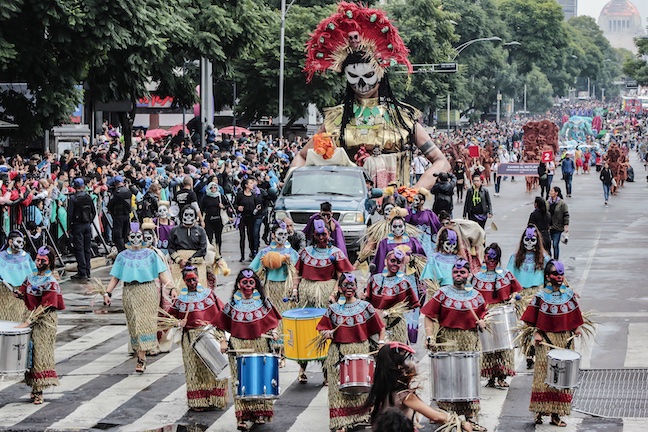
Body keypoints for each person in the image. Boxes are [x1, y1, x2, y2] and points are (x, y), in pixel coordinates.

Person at [295, 2, 451, 190]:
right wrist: (292, 186)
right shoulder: (335, 119)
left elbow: (441, 161)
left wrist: (415, 191)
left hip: (393, 203)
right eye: (353, 76)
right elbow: (302, 156)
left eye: (368, 75)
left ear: (380, 74)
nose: (361, 83)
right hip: (347, 203)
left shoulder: (401, 117)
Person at [422, 258, 487, 431]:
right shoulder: (442, 293)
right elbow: (428, 315)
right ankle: (446, 415)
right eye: (455, 272)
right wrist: (429, 336)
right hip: (447, 340)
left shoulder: (476, 296)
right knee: (447, 376)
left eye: (462, 272)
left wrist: (483, 322)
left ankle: (470, 416)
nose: (458, 275)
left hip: (469, 341)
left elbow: (485, 317)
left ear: (469, 274)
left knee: (468, 376)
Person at [213, 269, 282, 431]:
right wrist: (222, 341)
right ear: (238, 285)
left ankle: (259, 413)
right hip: (238, 346)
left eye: (251, 282)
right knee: (241, 381)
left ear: (256, 285)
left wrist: (274, 332)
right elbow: (218, 325)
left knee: (260, 378)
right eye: (245, 282)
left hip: (260, 344)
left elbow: (274, 322)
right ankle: (242, 417)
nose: (248, 286)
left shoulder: (264, 304)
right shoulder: (232, 305)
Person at [317, 273, 386, 432]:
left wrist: (381, 343)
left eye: (352, 285)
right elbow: (322, 328)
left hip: (360, 350)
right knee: (337, 388)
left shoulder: (365, 307)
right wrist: (326, 333)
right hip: (338, 352)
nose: (349, 288)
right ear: (340, 288)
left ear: (356, 287)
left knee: (360, 386)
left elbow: (380, 327)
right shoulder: (333, 309)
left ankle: (359, 417)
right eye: (345, 285)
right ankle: (340, 422)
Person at [521, 260, 584, 427]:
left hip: (565, 340)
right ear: (548, 277)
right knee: (543, 376)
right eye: (556, 274)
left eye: (561, 274)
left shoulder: (568, 294)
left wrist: (576, 328)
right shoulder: (541, 296)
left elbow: (575, 316)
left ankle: (556, 415)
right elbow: (530, 319)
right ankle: (539, 411)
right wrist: (537, 332)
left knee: (562, 378)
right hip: (546, 342)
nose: (559, 277)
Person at [103, 230, 175, 373]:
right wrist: (107, 292)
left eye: (138, 236)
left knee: (144, 322)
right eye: (132, 236)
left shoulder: (151, 255)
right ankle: (140, 351)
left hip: (147, 290)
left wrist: (171, 288)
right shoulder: (122, 256)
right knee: (134, 323)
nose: (136, 239)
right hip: (129, 291)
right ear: (128, 238)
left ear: (142, 238)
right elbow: (116, 277)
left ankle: (141, 358)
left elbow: (162, 274)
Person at [293, 219, 354, 383]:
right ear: (313, 235)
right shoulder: (306, 253)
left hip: (326, 295)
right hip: (307, 295)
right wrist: (295, 290)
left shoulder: (336, 253)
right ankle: (302, 367)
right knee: (306, 330)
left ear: (329, 234)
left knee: (326, 331)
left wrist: (334, 293)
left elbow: (341, 275)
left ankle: (327, 370)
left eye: (324, 234)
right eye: (318, 235)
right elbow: (297, 272)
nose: (321, 238)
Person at [366, 343, 473, 432]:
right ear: (399, 367)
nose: (416, 361)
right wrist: (461, 422)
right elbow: (435, 416)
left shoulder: (383, 388)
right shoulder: (403, 395)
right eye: (410, 358)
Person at [169, 267, 228, 411]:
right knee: (194, 370)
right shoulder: (180, 300)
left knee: (213, 367)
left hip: (209, 334)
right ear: (184, 281)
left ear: (198, 278)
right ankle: (198, 401)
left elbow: (221, 313)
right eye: (188, 280)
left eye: (194, 279)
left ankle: (215, 398)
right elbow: (169, 318)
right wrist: (179, 323)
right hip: (190, 337)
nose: (192, 283)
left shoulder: (209, 295)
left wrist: (222, 338)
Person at [15, 246, 65, 405]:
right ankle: (34, 386)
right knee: (29, 352)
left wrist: (29, 321)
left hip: (44, 321)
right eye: (37, 260)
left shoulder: (51, 282)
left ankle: (39, 390)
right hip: (30, 316)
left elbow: (46, 305)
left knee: (39, 353)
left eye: (42, 260)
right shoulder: (30, 277)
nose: (38, 262)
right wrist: (20, 294)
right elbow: (24, 291)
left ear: (49, 262)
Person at [471, 243, 522, 389]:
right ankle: (491, 377)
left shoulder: (506, 275)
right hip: (485, 314)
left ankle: (502, 376)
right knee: (488, 346)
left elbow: (516, 290)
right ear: (484, 258)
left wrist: (514, 297)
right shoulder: (477, 278)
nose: (491, 262)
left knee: (504, 347)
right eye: (489, 258)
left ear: (498, 259)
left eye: (494, 259)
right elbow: (471, 295)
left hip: (502, 312)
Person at [250, 221, 299, 363]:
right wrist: (264, 264)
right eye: (279, 234)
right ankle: (272, 349)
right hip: (270, 289)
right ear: (273, 235)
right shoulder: (265, 253)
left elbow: (297, 272)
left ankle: (282, 351)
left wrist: (294, 289)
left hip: (285, 289)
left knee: (283, 318)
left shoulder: (292, 253)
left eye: (285, 234)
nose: (282, 237)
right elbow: (252, 270)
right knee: (271, 318)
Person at [365, 249, 420, 343]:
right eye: (392, 261)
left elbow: (411, 305)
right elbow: (367, 301)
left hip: (396, 325)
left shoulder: (404, 282)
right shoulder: (374, 279)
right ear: (385, 261)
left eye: (398, 262)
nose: (395, 264)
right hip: (377, 323)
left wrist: (391, 312)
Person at [168, 205, 209, 287]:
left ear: (195, 216)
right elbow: (171, 247)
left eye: (191, 215)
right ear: (182, 215)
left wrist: (189, 260)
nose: (189, 217)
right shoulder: (175, 230)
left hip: (197, 262)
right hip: (179, 263)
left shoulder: (201, 230)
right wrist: (179, 260)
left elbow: (203, 249)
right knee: (179, 288)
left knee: (199, 288)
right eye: (186, 214)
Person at [0, 231, 35, 321]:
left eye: (22, 242)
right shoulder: (1, 256)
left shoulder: (26, 256)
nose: (21, 244)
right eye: (18, 241)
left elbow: (33, 271)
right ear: (10, 242)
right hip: (5, 293)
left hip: (22, 292)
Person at [67, 178, 96, 280]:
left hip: (77, 225)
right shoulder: (88, 197)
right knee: (87, 248)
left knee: (79, 249)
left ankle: (82, 271)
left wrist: (69, 227)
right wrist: (89, 221)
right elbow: (93, 211)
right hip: (87, 225)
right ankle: (87, 270)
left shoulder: (73, 198)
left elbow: (70, 214)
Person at [421, 226, 464, 291]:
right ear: (442, 242)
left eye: (453, 244)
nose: (451, 247)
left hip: (457, 291)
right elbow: (428, 278)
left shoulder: (459, 260)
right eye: (448, 243)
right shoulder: (435, 258)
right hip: (440, 291)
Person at [404, 191, 441, 258]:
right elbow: (405, 221)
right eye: (413, 199)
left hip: (426, 238)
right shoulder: (410, 211)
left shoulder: (429, 213)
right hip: (415, 238)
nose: (414, 202)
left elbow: (437, 224)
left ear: (422, 201)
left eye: (416, 200)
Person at [235, 178, 263, 262]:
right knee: (242, 237)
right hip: (242, 217)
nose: (252, 184)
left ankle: (252, 253)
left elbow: (257, 206)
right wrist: (238, 207)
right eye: (250, 183)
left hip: (251, 217)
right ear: (246, 185)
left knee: (251, 236)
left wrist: (257, 208)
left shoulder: (254, 195)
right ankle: (242, 255)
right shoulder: (240, 194)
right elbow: (234, 204)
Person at [107, 175, 132, 252]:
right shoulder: (128, 191)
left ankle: (121, 251)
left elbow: (110, 204)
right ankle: (127, 249)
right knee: (125, 233)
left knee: (118, 235)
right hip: (127, 214)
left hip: (118, 215)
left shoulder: (116, 193)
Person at [201, 181, 226, 251]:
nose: (213, 189)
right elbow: (201, 208)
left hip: (218, 219)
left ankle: (218, 251)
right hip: (208, 219)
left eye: (215, 187)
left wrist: (223, 206)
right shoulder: (206, 197)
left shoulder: (220, 196)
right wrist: (201, 219)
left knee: (218, 237)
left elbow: (227, 205)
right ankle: (210, 251)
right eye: (211, 187)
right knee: (209, 237)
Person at [547, 186, 569, 260]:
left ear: (556, 193)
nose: (550, 192)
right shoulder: (547, 203)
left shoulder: (562, 204)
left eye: (552, 191)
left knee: (555, 244)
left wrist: (566, 225)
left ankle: (556, 260)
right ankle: (549, 259)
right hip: (548, 227)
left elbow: (566, 215)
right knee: (548, 245)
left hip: (558, 227)